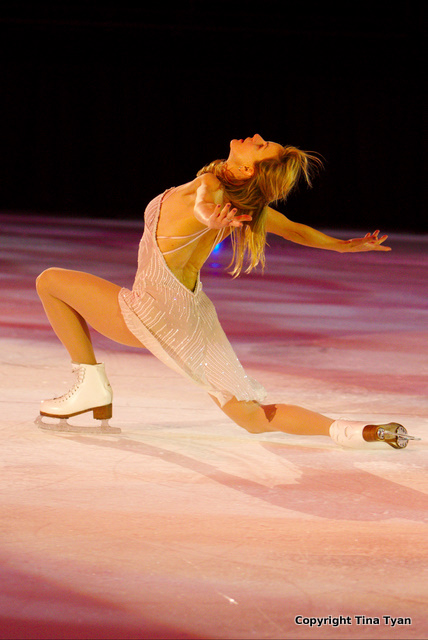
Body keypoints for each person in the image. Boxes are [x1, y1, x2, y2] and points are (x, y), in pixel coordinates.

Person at [35, 134, 417, 449]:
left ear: (248, 169)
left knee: (50, 281)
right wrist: (344, 246)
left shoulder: (213, 188)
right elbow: (295, 230)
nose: (257, 137)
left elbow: (203, 204)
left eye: (261, 146)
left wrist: (209, 217)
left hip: (150, 310)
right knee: (252, 417)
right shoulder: (238, 201)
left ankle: (91, 386)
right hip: (190, 314)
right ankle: (357, 431)